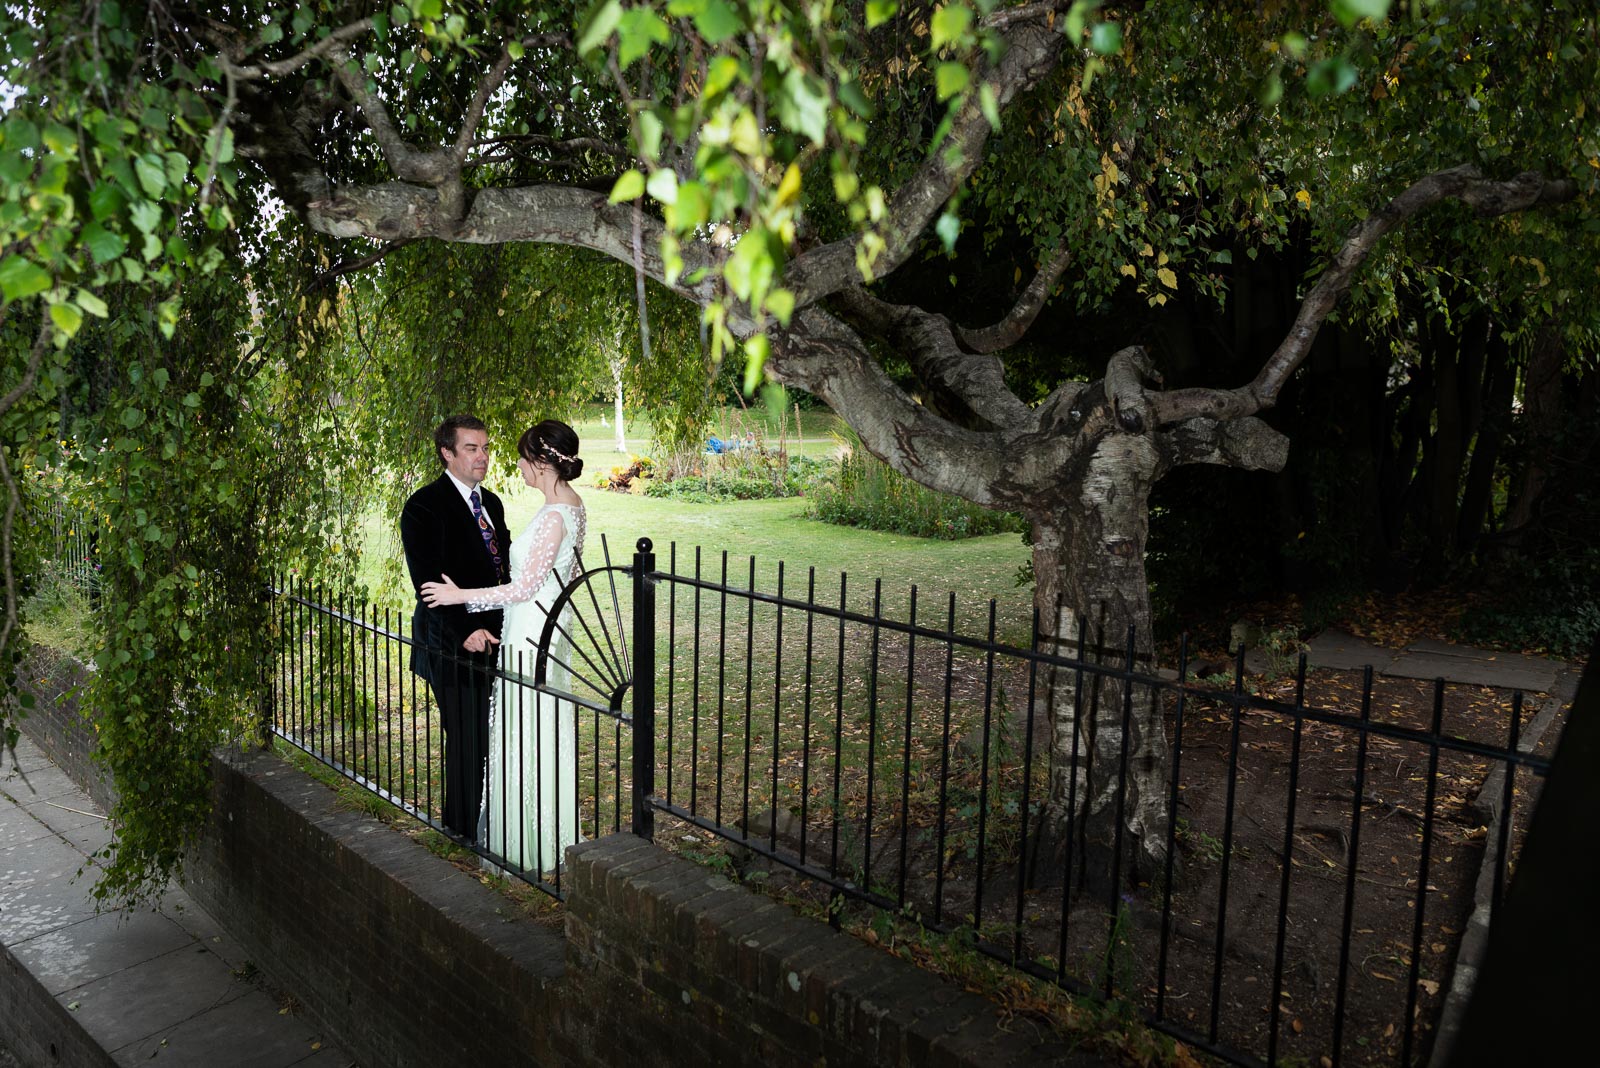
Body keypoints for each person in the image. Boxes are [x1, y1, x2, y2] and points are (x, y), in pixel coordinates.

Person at [421, 420, 587, 875]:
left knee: (526, 730)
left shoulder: (555, 514)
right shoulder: (570, 506)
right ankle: (532, 831)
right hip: (541, 626)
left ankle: (527, 841)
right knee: (532, 729)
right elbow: (565, 578)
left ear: (541, 460)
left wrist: (461, 595)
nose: (510, 463)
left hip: (530, 631)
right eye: (474, 448)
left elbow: (524, 586)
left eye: (518, 456)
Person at [400, 415, 510, 842]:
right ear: (447, 453)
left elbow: (501, 568)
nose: (482, 457)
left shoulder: (493, 504)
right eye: (472, 448)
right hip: (449, 643)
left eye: (485, 448)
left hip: (496, 639)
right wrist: (464, 630)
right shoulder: (424, 506)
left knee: (489, 736)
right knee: (466, 739)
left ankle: (487, 822)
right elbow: (428, 582)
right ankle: (460, 832)